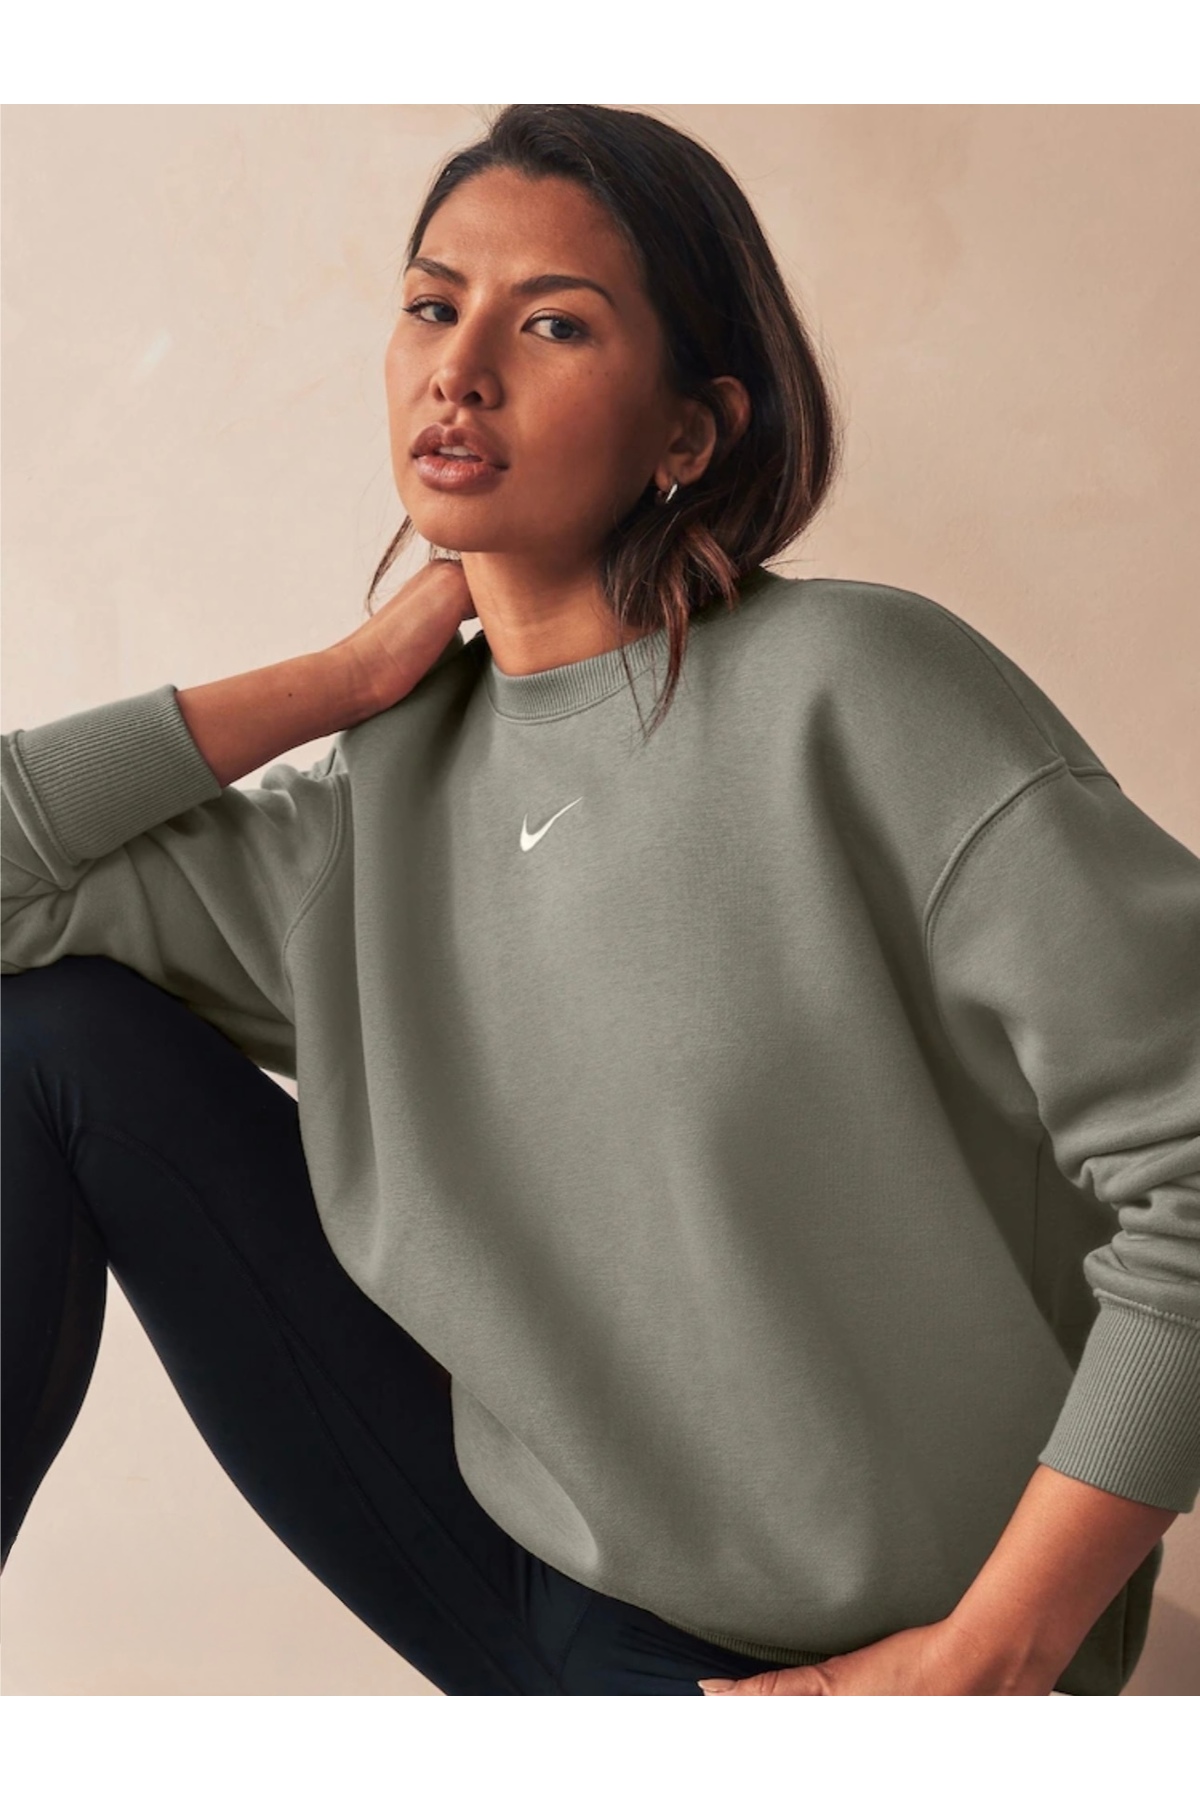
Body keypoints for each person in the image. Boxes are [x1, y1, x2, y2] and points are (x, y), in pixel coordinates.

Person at [2, 103, 1197, 1699]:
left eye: (551, 324)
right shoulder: (372, 804)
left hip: (887, 1665)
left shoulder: (860, 696)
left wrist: (992, 1653)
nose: (460, 368)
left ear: (689, 433)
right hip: (516, 1572)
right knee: (45, 1039)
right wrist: (333, 681)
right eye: (432, 305)